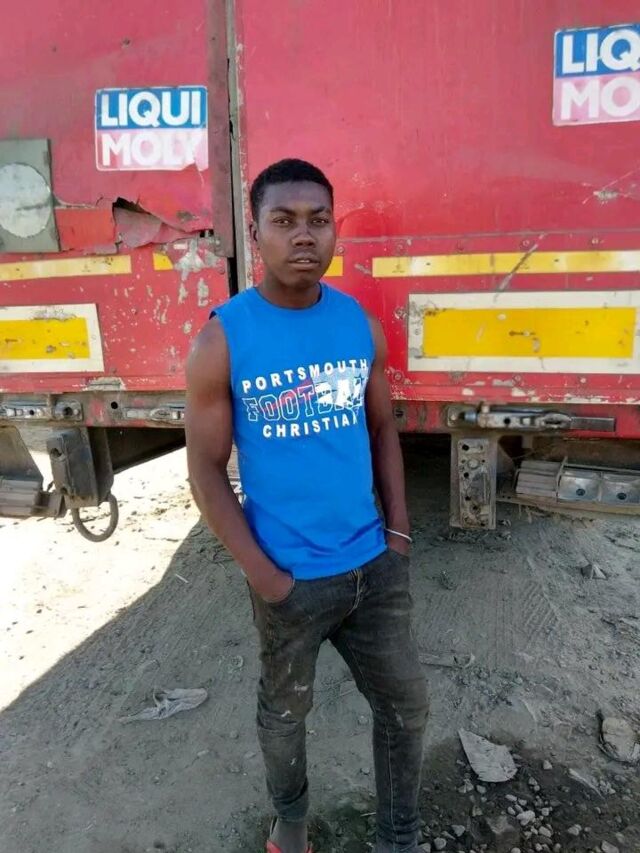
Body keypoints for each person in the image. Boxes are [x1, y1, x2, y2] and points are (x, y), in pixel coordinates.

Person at [185, 159, 428, 853]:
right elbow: (204, 470)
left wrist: (399, 533)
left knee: (406, 706)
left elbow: (382, 429)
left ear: (334, 230)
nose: (303, 235)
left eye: (318, 220)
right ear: (254, 229)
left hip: (374, 567)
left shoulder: (357, 324)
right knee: (285, 715)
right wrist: (266, 577)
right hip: (290, 578)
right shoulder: (223, 338)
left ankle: (399, 837)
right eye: (284, 220)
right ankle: (291, 821)